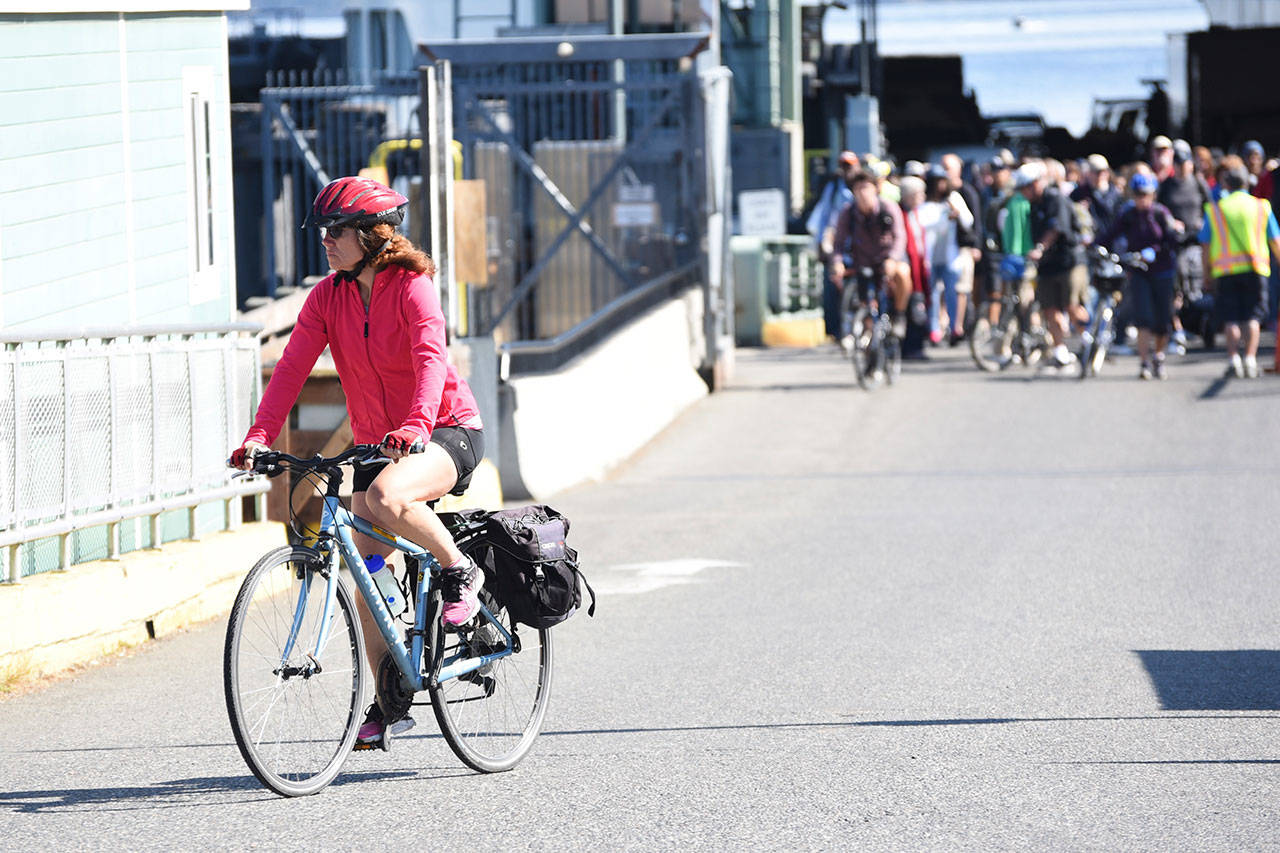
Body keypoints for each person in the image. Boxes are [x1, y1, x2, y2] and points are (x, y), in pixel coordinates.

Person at [228, 176, 487, 746]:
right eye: (322, 231)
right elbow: (292, 368)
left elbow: (428, 358)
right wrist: (258, 436)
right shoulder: (328, 297)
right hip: (378, 443)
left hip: (444, 429)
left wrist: (418, 426)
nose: (326, 241)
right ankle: (390, 698)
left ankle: (461, 572)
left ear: (372, 235)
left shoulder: (412, 286)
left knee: (385, 498)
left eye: (336, 230)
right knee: (369, 576)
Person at [1199, 157, 1280, 378]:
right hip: (1256, 269)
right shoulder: (1261, 207)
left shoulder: (1216, 210)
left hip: (1225, 272)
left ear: (1226, 185)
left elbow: (1205, 245)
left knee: (1231, 318)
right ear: (1247, 183)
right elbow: (1275, 240)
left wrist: (1206, 272)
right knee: (1253, 317)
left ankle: (1234, 358)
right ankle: (1250, 359)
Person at [1096, 172, 1182, 379]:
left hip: (1162, 271)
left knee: (1163, 321)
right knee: (1144, 318)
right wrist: (1096, 246)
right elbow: (1110, 234)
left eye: (1145, 194)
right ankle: (1144, 362)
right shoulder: (1128, 214)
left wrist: (1157, 251)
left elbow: (1174, 240)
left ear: (1153, 194)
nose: (1141, 198)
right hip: (1138, 272)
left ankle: (1158, 356)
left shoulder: (1161, 214)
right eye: (1137, 194)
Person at [831, 169, 910, 331]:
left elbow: (900, 236)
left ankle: (899, 315)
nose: (862, 193)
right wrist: (837, 263)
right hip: (863, 263)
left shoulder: (888, 207)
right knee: (864, 305)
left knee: (903, 274)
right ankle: (865, 336)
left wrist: (893, 259)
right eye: (858, 188)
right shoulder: (848, 212)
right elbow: (838, 243)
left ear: (876, 189)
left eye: (866, 187)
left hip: (887, 259)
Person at [1026, 162, 1088, 366]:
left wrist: (1041, 248)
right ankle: (1060, 349)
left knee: (1072, 305)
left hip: (1069, 260)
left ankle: (1088, 339)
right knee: (1050, 308)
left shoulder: (1055, 198)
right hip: (1047, 264)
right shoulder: (1033, 205)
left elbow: (1056, 228)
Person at [1157, 140, 1212, 348]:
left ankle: (1199, 326)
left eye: (1185, 162)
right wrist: (1171, 222)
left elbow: (1210, 208)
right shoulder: (1167, 186)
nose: (1182, 166)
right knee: (1176, 288)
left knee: (1196, 286)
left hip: (1196, 243)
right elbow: (1158, 212)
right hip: (1175, 245)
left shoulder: (1198, 183)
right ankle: (1177, 328)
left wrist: (1202, 223)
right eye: (1178, 162)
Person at [917, 164, 975, 344]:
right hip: (930, 256)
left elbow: (969, 220)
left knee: (952, 292)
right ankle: (934, 328)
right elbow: (923, 224)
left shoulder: (953, 198)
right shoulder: (924, 202)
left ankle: (954, 327)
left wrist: (956, 214)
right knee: (933, 294)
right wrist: (943, 218)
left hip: (951, 254)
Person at [807, 151, 858, 342]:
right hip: (837, 241)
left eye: (850, 165)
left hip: (859, 242)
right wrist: (821, 242)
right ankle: (837, 330)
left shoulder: (862, 184)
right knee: (833, 286)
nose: (847, 169)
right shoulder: (834, 186)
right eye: (844, 165)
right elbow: (824, 215)